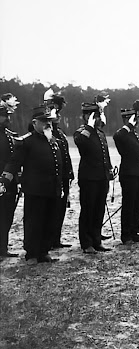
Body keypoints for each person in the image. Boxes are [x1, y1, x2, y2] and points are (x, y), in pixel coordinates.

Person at [0, 105, 63, 264]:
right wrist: (4, 181)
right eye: (43, 121)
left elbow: (58, 165)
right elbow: (14, 163)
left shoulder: (53, 141)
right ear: (35, 123)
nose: (47, 124)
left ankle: (44, 251)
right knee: (34, 222)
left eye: (48, 121)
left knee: (49, 221)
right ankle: (32, 253)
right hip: (34, 189)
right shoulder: (26, 142)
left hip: (51, 188)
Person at [74, 96, 114, 254]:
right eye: (95, 116)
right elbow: (81, 143)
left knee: (99, 210)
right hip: (88, 178)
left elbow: (105, 153)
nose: (98, 119)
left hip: (101, 177)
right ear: (87, 117)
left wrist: (109, 169)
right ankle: (86, 242)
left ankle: (97, 240)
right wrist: (89, 127)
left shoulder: (100, 133)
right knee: (88, 210)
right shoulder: (82, 132)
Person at [113, 100, 139, 244]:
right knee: (129, 204)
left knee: (138, 204)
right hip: (129, 174)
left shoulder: (135, 135)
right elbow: (118, 137)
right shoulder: (123, 134)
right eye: (134, 118)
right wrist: (128, 124)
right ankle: (126, 234)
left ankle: (135, 231)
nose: (136, 121)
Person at [44, 89, 74, 250]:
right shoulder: (48, 132)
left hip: (63, 176)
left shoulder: (60, 133)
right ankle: (49, 240)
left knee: (60, 208)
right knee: (52, 209)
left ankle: (56, 238)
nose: (59, 117)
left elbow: (66, 155)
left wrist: (69, 173)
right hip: (52, 177)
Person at [0, 93, 20, 259]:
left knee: (7, 215)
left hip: (9, 182)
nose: (7, 119)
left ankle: (2, 248)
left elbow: (13, 157)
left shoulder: (8, 134)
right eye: (4, 116)